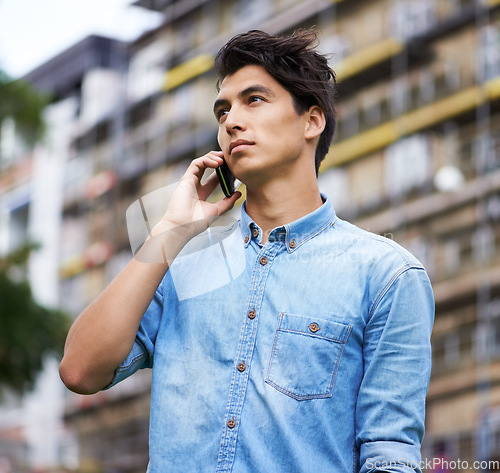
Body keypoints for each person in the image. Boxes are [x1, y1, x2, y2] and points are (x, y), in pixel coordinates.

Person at [59, 29, 434, 473]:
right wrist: (168, 233)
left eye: (254, 100)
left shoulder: (387, 275)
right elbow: (80, 372)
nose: (231, 121)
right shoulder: (180, 266)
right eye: (223, 110)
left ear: (312, 122)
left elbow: (390, 454)